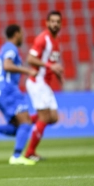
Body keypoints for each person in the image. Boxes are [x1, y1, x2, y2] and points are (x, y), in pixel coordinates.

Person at [0, 24, 37, 165]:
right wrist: (28, 71)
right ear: (16, 34)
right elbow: (7, 66)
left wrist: (0, 88)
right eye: (22, 33)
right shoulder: (11, 48)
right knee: (26, 122)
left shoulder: (2, 51)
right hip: (9, 90)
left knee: (18, 128)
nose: (23, 36)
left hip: (0, 91)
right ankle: (16, 156)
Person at [24, 10, 64, 161]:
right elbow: (30, 58)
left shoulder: (56, 41)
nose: (55, 24)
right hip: (37, 81)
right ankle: (30, 153)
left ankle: (25, 121)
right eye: (52, 21)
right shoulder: (43, 39)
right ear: (47, 23)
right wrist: (50, 66)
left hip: (45, 84)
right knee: (45, 117)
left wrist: (57, 73)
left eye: (58, 21)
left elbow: (51, 64)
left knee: (53, 117)